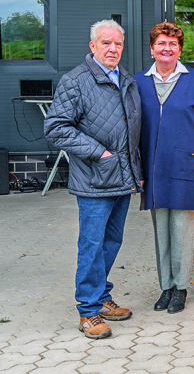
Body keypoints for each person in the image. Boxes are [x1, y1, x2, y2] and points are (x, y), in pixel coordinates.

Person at [44, 20, 143, 339]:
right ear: (93, 46)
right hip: (94, 179)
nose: (113, 49)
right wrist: (99, 153)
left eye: (118, 44)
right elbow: (56, 127)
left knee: (111, 242)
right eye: (106, 43)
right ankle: (87, 311)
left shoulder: (126, 79)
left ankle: (101, 298)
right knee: (92, 243)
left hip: (123, 178)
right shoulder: (75, 81)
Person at [134, 23, 194, 315]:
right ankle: (166, 287)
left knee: (182, 227)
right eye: (161, 43)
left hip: (187, 164)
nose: (166, 48)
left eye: (172, 44)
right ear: (152, 48)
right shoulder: (139, 83)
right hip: (154, 166)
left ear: (180, 49)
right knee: (162, 229)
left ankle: (181, 288)